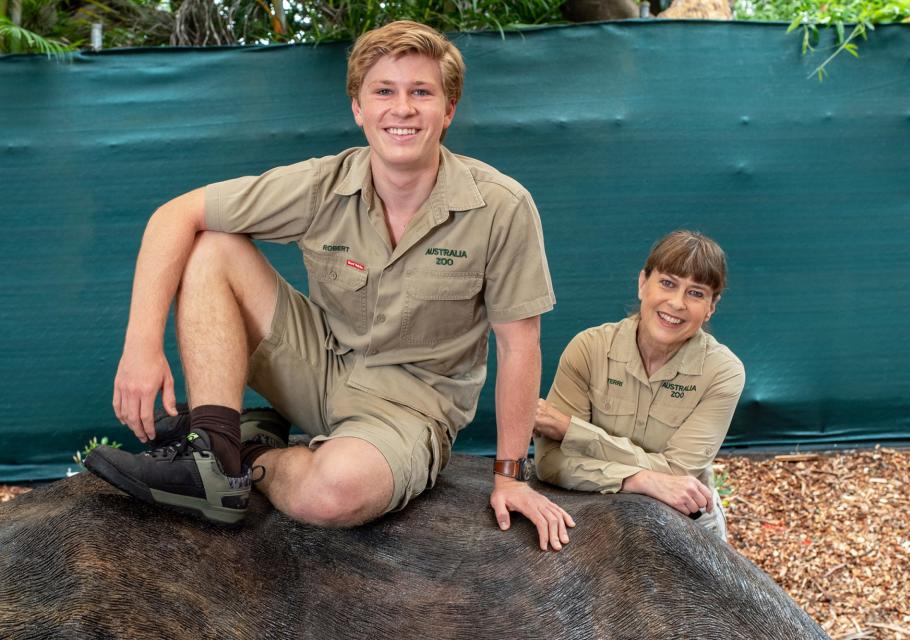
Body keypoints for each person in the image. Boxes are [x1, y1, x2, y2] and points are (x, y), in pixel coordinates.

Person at [85, 20, 574, 551]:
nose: (402, 108)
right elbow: (173, 215)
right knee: (212, 245)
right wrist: (141, 347)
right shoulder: (322, 183)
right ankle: (213, 454)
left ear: (448, 110)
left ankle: (248, 456)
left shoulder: (502, 207)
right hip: (318, 367)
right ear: (358, 109)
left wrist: (509, 475)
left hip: (410, 409)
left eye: (421, 92)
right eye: (383, 91)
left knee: (333, 493)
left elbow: (519, 345)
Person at [532, 230, 744, 540]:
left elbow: (677, 475)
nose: (677, 303)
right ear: (643, 283)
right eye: (668, 283)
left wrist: (570, 430)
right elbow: (550, 463)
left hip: (684, 515)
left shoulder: (723, 372)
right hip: (588, 504)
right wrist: (638, 479)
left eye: (696, 293)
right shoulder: (589, 349)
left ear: (712, 305)